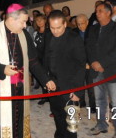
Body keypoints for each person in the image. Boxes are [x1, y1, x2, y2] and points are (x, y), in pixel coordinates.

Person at [0, 3, 56, 138]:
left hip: (20, 88)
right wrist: (2, 69)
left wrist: (45, 80)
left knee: (18, 120)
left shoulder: (24, 35)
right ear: (12, 19)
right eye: (23, 22)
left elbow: (33, 61)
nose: (25, 26)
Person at [86, 2, 116, 138]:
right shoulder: (93, 29)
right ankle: (101, 124)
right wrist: (93, 62)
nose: (97, 13)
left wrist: (102, 63)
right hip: (96, 70)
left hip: (113, 70)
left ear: (108, 12)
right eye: (96, 11)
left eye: (99, 11)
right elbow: (88, 47)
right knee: (99, 100)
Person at [43, 10, 86, 138]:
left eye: (58, 27)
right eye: (52, 28)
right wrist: (46, 79)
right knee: (57, 114)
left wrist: (77, 91)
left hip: (69, 85)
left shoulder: (74, 39)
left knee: (70, 121)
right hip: (53, 84)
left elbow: (81, 65)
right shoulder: (49, 36)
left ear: (65, 24)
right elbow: (46, 59)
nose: (55, 31)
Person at [73, 14, 96, 113]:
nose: (80, 26)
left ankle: (93, 106)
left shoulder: (93, 31)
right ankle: (81, 102)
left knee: (91, 86)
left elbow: (95, 49)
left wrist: (89, 62)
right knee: (79, 84)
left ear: (87, 22)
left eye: (82, 23)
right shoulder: (74, 33)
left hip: (90, 62)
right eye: (78, 24)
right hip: (79, 63)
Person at [32, 14, 48, 104]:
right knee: (42, 78)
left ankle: (51, 97)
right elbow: (34, 46)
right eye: (37, 20)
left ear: (45, 20)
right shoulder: (35, 33)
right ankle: (44, 97)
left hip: (48, 58)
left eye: (41, 20)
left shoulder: (49, 31)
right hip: (39, 58)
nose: (39, 22)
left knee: (50, 78)